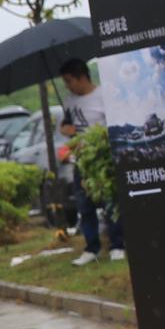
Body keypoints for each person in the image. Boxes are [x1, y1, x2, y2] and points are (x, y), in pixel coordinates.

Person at [57, 58, 124, 265]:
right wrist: (67, 131)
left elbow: (114, 124)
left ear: (81, 77)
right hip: (81, 160)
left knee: (111, 203)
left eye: (69, 81)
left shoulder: (104, 95)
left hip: (102, 158)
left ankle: (118, 245)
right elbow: (65, 126)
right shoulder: (69, 101)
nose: (68, 86)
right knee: (84, 205)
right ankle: (91, 247)